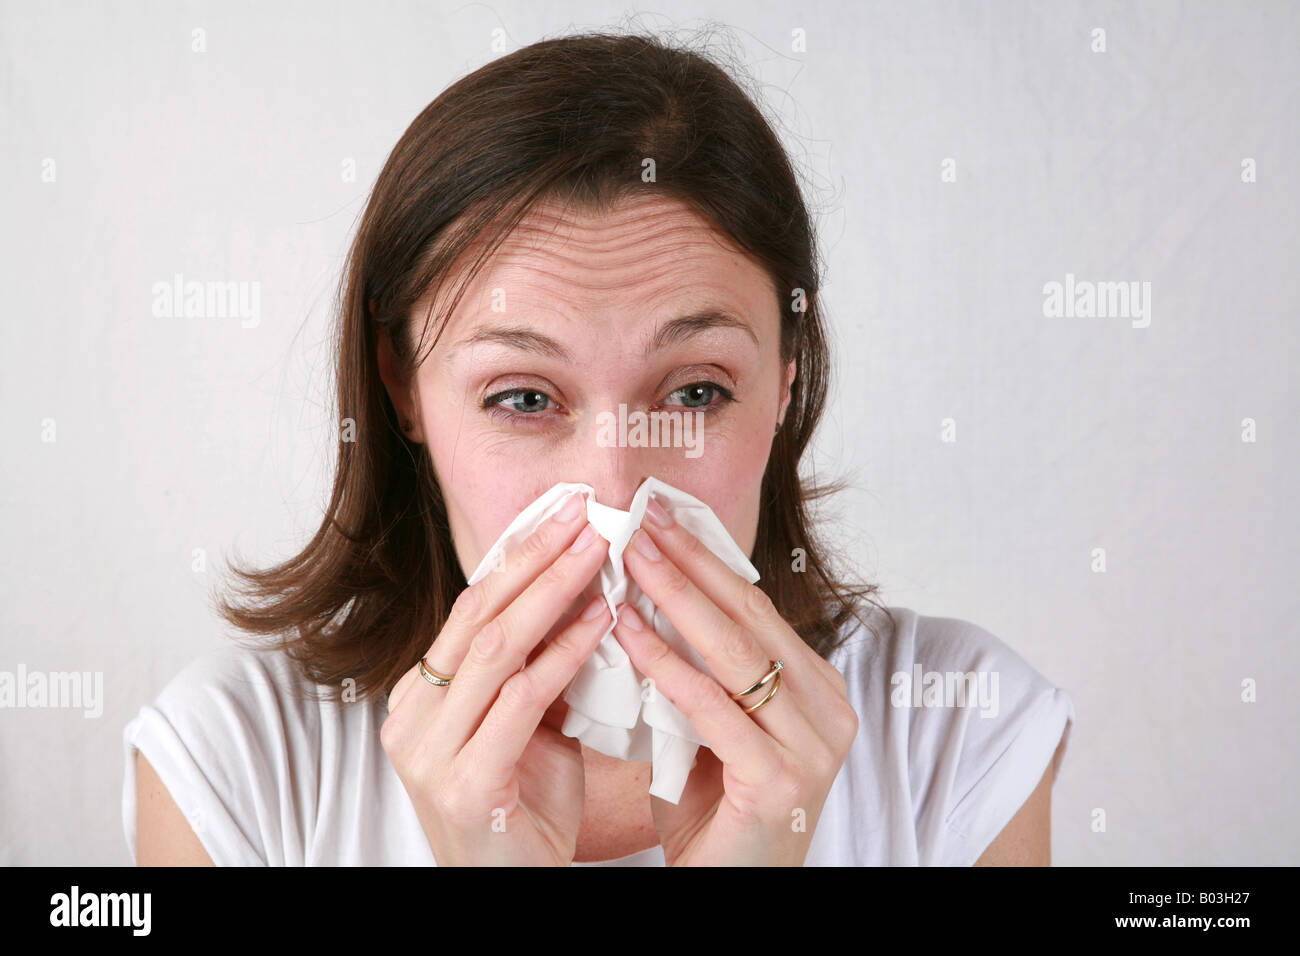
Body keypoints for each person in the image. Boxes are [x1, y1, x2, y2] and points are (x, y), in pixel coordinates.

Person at [122, 30, 1073, 866]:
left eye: (696, 392)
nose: (617, 489)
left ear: (786, 377)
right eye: (525, 398)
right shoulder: (236, 769)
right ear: (405, 388)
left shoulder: (955, 735)